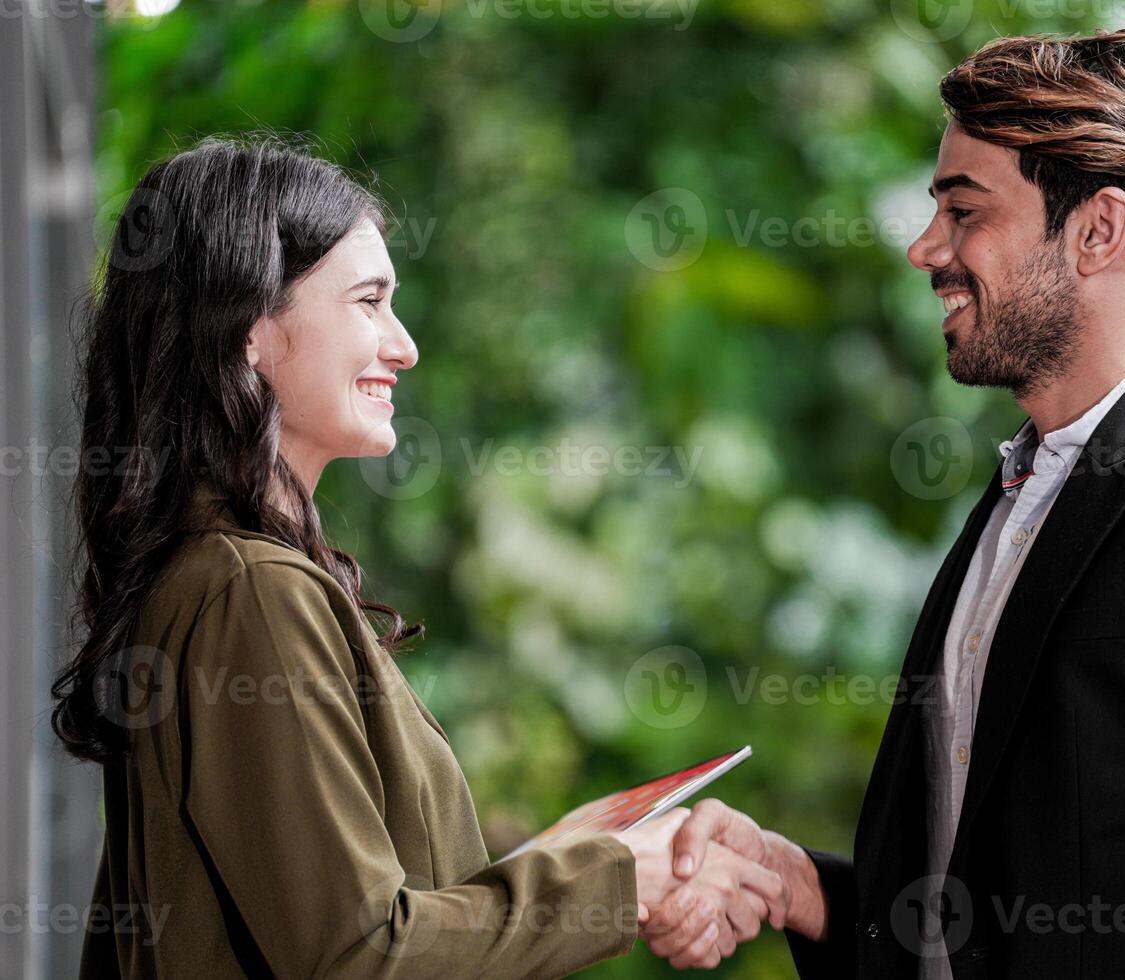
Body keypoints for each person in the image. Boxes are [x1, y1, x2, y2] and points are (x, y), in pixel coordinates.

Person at [666, 27, 1125, 978]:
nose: (924, 247)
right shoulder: (1021, 493)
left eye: (964, 211)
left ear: (1099, 229)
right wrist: (803, 887)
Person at [52, 137, 784, 978]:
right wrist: (619, 878)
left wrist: (572, 852)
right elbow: (359, 956)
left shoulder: (215, 575)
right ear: (250, 328)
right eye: (369, 302)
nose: (404, 347)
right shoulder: (252, 590)